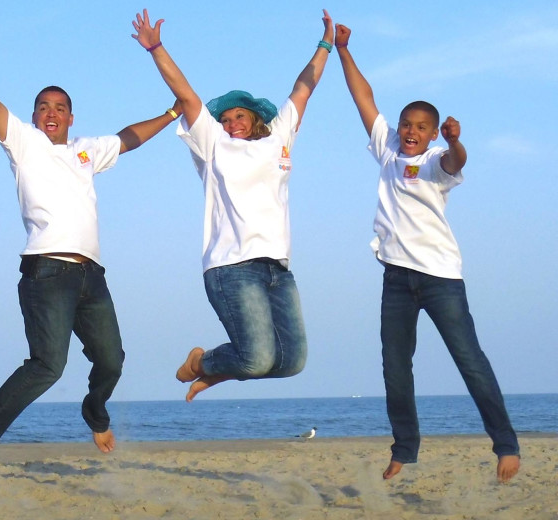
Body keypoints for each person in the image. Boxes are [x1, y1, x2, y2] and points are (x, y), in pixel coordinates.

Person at [0, 4, 182, 486]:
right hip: (47, 273)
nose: (51, 113)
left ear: (71, 117)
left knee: (112, 359)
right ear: (34, 116)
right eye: (43, 107)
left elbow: (129, 138)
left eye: (59, 107)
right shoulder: (24, 144)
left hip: (91, 276)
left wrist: (173, 111)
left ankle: (95, 412)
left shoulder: (85, 152)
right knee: (47, 366)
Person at [334, 23, 520, 483]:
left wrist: (455, 140)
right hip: (396, 278)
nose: (411, 132)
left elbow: (457, 161)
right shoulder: (388, 151)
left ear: (432, 133)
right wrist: (343, 50)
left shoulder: (436, 160)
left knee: (469, 359)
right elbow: (364, 98)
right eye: (407, 124)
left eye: (421, 127)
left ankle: (506, 445)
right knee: (395, 367)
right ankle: (405, 449)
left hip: (439, 278)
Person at [131, 9, 333, 402]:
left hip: (278, 267)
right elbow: (187, 96)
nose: (231, 123)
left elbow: (304, 88)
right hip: (231, 266)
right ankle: (204, 362)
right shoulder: (213, 144)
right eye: (224, 118)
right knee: (257, 360)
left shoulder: (279, 138)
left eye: (238, 115)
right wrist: (156, 47)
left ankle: (222, 367)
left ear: (256, 116)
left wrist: (326, 43)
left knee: (292, 361)